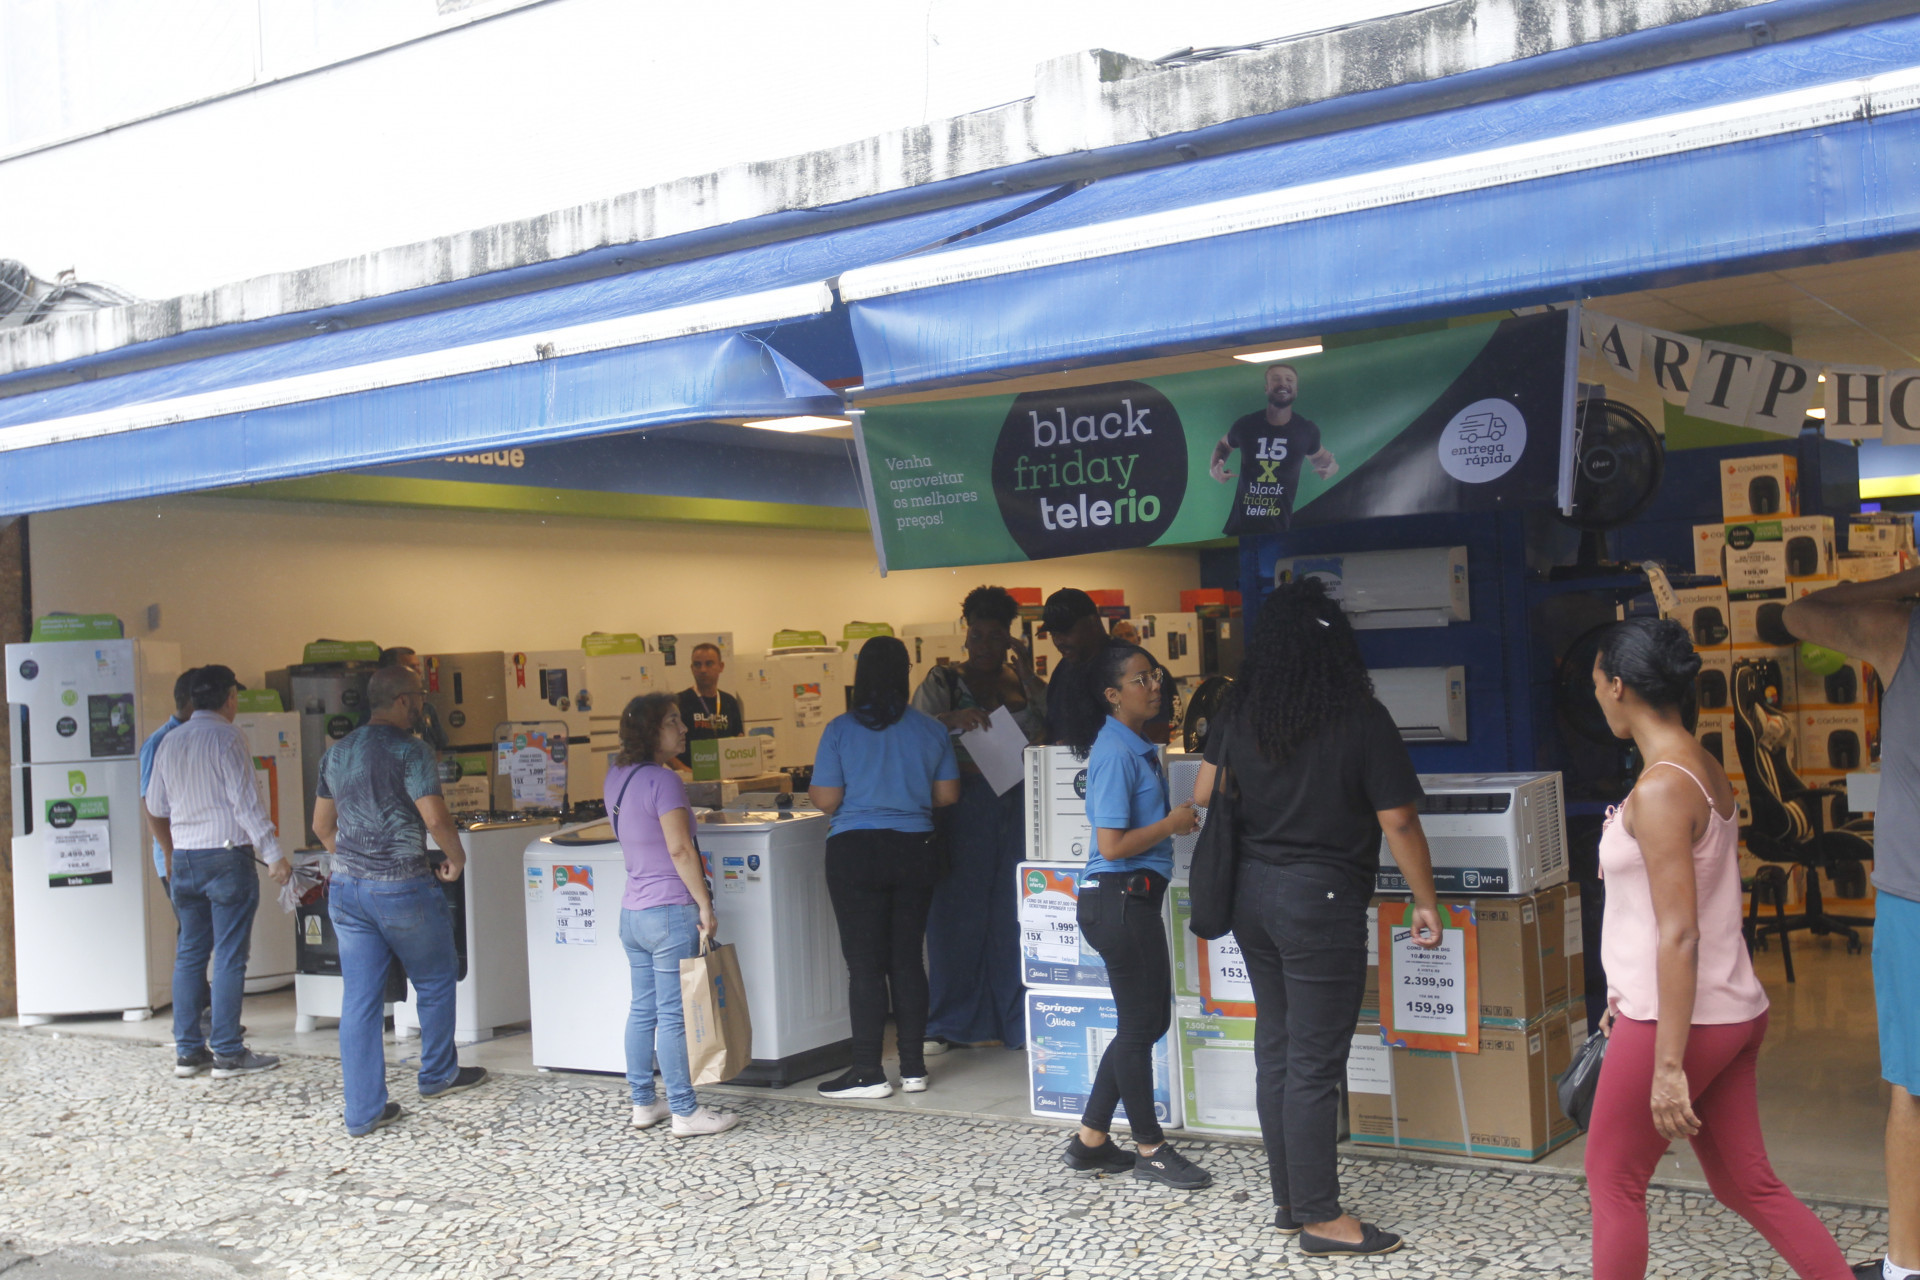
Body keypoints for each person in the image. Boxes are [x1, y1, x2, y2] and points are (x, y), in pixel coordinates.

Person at [1585, 617, 1851, 1280]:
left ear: (1618, 687)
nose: (1594, 696)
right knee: (1747, 1185)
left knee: (1614, 1184)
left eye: (1595, 683)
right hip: (1727, 1011)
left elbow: (1679, 932)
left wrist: (1668, 1065)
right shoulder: (1697, 764)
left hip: (1677, 1021)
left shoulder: (1663, 786)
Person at [1191, 577, 1440, 1258]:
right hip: (1320, 902)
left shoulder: (1243, 710)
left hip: (1251, 897)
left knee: (1277, 1047)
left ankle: (1288, 1199)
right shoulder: (1359, 716)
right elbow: (1398, 820)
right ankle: (1322, 1220)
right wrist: (1426, 899)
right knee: (1313, 1063)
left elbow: (1206, 790)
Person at [1785, 575, 1920, 1280]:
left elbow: (1797, 612)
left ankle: (1905, 1266)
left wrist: (1902, 585)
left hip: (1916, 902)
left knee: (1914, 1089)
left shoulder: (1899, 632)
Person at [313, 665, 489, 1136]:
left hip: (347, 891)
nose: (423, 705)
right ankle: (438, 1074)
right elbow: (434, 817)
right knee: (434, 979)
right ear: (403, 701)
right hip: (402, 887)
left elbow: (321, 828)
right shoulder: (412, 751)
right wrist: (455, 858)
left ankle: (364, 1111)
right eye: (419, 697)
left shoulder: (338, 753)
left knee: (361, 1001)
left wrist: (356, 861)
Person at [1055, 643, 1206, 1188]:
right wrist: (1171, 825)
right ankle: (1150, 1148)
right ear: (1113, 695)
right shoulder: (1115, 753)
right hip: (1118, 897)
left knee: (1146, 1022)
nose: (1155, 686)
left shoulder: (1136, 746)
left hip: (1127, 899)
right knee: (1141, 1026)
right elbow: (1112, 845)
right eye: (1141, 680)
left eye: (1156, 676)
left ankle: (1091, 1140)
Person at [807, 636, 962, 1099]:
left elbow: (827, 799)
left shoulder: (839, 729)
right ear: (905, 674)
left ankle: (867, 1071)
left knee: (866, 967)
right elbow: (949, 795)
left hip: (855, 851)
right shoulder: (930, 729)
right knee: (908, 960)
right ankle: (914, 1069)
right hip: (916, 849)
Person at [911, 585, 1048, 1053]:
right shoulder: (943, 680)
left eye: (995, 636)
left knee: (1015, 911)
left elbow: (1053, 725)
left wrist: (1029, 674)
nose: (984, 645)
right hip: (962, 803)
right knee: (955, 914)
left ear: (1010, 638)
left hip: (1018, 802)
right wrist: (952, 717)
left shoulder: (1021, 680)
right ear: (965, 633)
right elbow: (914, 731)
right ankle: (949, 1021)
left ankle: (1017, 1019)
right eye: (976, 635)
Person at [145, 665, 292, 1081]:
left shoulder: (169, 741)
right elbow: (245, 803)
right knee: (229, 954)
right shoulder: (228, 736)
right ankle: (228, 1052)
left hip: (186, 861)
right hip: (227, 858)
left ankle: (188, 1053)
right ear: (230, 697)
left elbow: (155, 806)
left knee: (190, 953)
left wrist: (170, 852)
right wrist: (274, 854)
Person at [604, 692, 740, 1136]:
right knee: (674, 1014)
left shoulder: (617, 775)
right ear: (650, 731)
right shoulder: (664, 782)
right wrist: (704, 904)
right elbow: (679, 848)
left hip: (632, 912)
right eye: (672, 722)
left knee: (642, 1010)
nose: (683, 729)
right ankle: (685, 1110)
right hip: (669, 911)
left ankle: (643, 1102)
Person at [1210, 362, 1339, 536]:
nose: (1283, 383)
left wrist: (1332, 467)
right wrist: (1215, 468)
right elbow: (1224, 444)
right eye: (1276, 379)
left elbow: (1320, 458)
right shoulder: (1247, 424)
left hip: (1281, 528)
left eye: (1289, 379)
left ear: (1296, 389)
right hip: (1240, 529)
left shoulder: (1306, 429)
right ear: (1266, 388)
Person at [1041, 588, 1170, 747]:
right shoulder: (1064, 669)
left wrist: (1096, 753)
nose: (1059, 641)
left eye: (1066, 631)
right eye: (1053, 634)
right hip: (1068, 769)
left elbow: (1158, 732)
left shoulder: (1130, 662)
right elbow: (1053, 727)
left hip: (1121, 769)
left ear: (1093, 622)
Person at [140, 668, 196, 894]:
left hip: (201, 852)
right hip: (176, 855)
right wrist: (169, 852)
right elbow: (149, 803)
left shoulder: (203, 735)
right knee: (192, 927)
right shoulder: (158, 741)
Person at [673, 642, 745, 774]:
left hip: (727, 776)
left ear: (721, 666)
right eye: (697, 664)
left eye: (709, 663)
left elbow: (739, 739)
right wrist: (684, 770)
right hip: (691, 779)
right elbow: (661, 746)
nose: (703, 670)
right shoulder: (678, 702)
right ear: (691, 668)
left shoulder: (730, 702)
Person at [371, 646, 448, 748]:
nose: (419, 672)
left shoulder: (427, 710)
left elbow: (439, 748)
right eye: (412, 667)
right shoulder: (375, 715)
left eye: (418, 666)